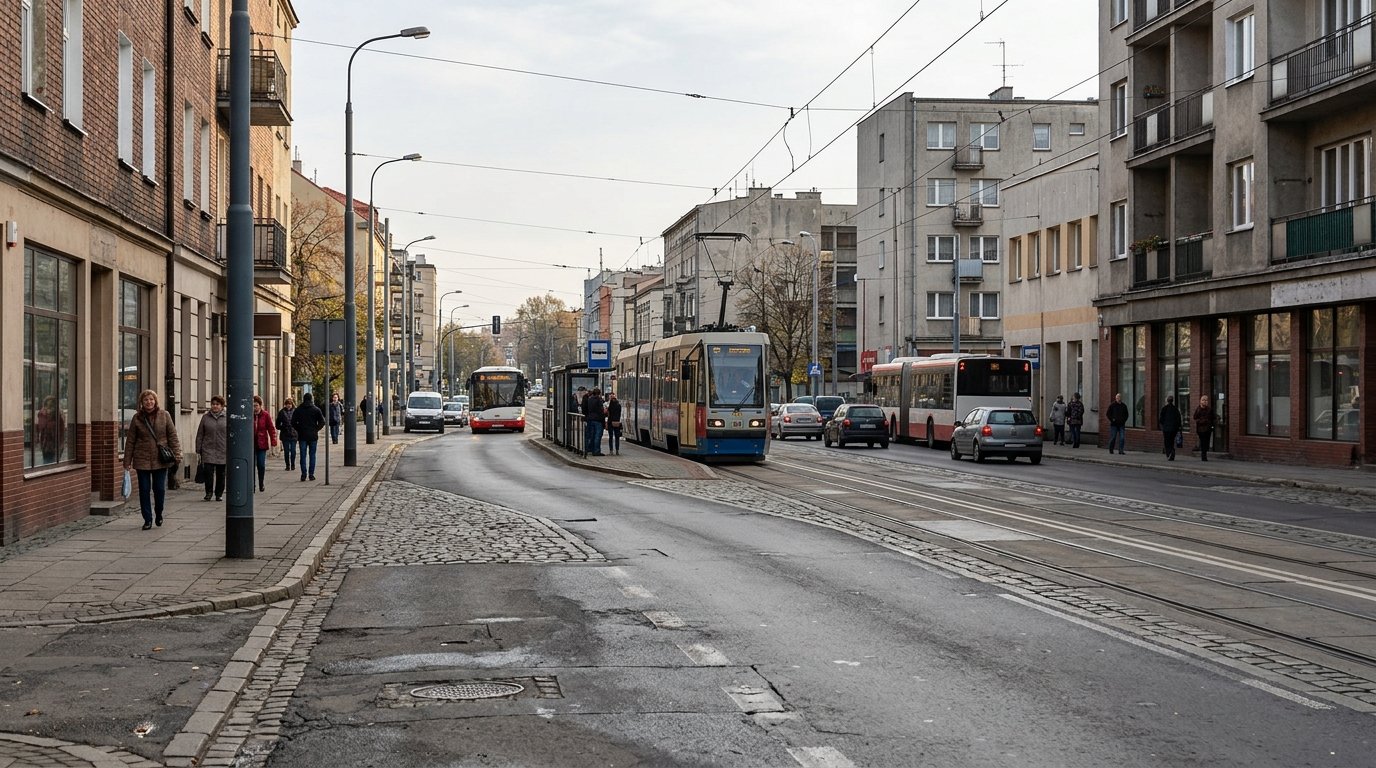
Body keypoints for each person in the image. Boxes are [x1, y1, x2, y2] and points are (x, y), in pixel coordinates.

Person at [123, 389, 182, 530]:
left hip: (160, 458)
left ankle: (159, 513)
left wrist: (177, 455)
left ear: (155, 401)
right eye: (146, 400)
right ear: (141, 402)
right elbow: (130, 440)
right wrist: (127, 461)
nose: (149, 402)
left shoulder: (164, 415)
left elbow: (172, 436)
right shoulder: (137, 418)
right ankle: (147, 519)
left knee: (159, 489)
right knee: (144, 490)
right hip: (142, 458)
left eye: (151, 399)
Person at [195, 395, 228, 501]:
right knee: (208, 472)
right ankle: (208, 493)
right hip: (208, 449)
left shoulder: (227, 417)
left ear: (222, 406)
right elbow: (200, 434)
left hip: (222, 449)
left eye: (217, 404)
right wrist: (198, 449)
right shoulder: (205, 417)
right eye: (213, 404)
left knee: (221, 474)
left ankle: (219, 494)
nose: (215, 406)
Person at [292, 393, 326, 481]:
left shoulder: (298, 410)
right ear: (311, 399)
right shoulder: (316, 409)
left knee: (303, 455)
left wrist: (299, 429)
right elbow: (322, 422)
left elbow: (293, 422)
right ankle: (311, 474)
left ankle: (303, 474)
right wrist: (316, 429)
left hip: (302, 435)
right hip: (313, 436)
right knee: (312, 455)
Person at [251, 396, 278, 492]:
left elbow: (271, 428)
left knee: (261, 464)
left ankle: (261, 483)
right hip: (251, 444)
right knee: (251, 465)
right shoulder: (249, 415)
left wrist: (273, 441)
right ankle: (252, 484)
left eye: (256, 405)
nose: (254, 408)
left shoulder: (265, 415)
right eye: (253, 406)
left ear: (260, 405)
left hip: (262, 443)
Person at [36, 395, 65, 464]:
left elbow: (62, 430)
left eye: (51, 406)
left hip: (56, 443)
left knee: (54, 462)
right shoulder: (42, 414)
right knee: (47, 462)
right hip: (46, 444)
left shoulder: (59, 414)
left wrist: (60, 444)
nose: (49, 408)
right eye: (47, 405)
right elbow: (40, 427)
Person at [276, 397, 298, 472]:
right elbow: (277, 424)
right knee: (286, 451)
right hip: (285, 434)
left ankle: (293, 464)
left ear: (292, 404)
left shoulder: (295, 411)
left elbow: (299, 422)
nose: (288, 405)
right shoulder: (281, 412)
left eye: (290, 404)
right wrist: (282, 427)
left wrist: (297, 428)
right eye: (287, 404)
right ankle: (287, 465)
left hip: (294, 434)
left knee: (293, 451)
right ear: (285, 404)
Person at [582, 386, 606, 456]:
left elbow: (586, 409)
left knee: (591, 435)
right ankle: (596, 451)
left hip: (590, 419)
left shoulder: (589, 399)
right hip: (598, 420)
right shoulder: (599, 400)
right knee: (597, 436)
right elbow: (601, 411)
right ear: (599, 393)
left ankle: (589, 449)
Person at [1193, 395, 1217, 462]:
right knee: (1203, 441)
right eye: (1203, 400)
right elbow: (1195, 417)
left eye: (1206, 400)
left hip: (1208, 429)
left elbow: (1214, 417)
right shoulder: (1198, 409)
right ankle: (1203, 455)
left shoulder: (1209, 410)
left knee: (1206, 442)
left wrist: (1211, 423)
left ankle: (1204, 452)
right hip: (1200, 429)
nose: (1205, 401)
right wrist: (1200, 421)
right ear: (1200, 401)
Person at [1159, 395, 1182, 461]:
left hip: (1166, 428)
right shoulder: (1175, 409)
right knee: (1171, 441)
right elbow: (1178, 419)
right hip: (1174, 429)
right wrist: (1178, 427)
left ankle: (1169, 453)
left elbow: (1161, 419)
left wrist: (1163, 425)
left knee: (1167, 441)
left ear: (1167, 401)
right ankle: (1172, 450)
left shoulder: (1164, 409)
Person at [606, 391, 623, 455]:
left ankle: (611, 450)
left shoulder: (610, 406)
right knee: (617, 437)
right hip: (617, 422)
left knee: (610, 437)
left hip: (610, 422)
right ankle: (617, 450)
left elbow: (608, 414)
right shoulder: (619, 406)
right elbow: (619, 413)